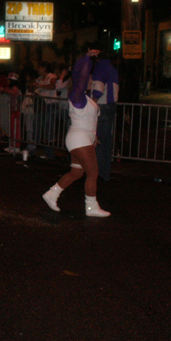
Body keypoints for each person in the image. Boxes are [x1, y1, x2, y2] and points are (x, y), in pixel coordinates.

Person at [42, 50, 111, 218]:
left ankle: (52, 194)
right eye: (88, 77)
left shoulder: (85, 98)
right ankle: (91, 207)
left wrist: (93, 138)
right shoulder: (77, 95)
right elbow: (80, 78)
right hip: (79, 139)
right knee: (93, 173)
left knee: (77, 173)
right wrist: (87, 59)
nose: (90, 79)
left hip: (80, 138)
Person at [91, 57, 119, 182]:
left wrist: (93, 103)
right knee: (106, 140)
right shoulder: (112, 68)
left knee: (98, 140)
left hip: (102, 106)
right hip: (111, 105)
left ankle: (97, 172)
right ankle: (105, 171)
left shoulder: (100, 68)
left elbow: (98, 89)